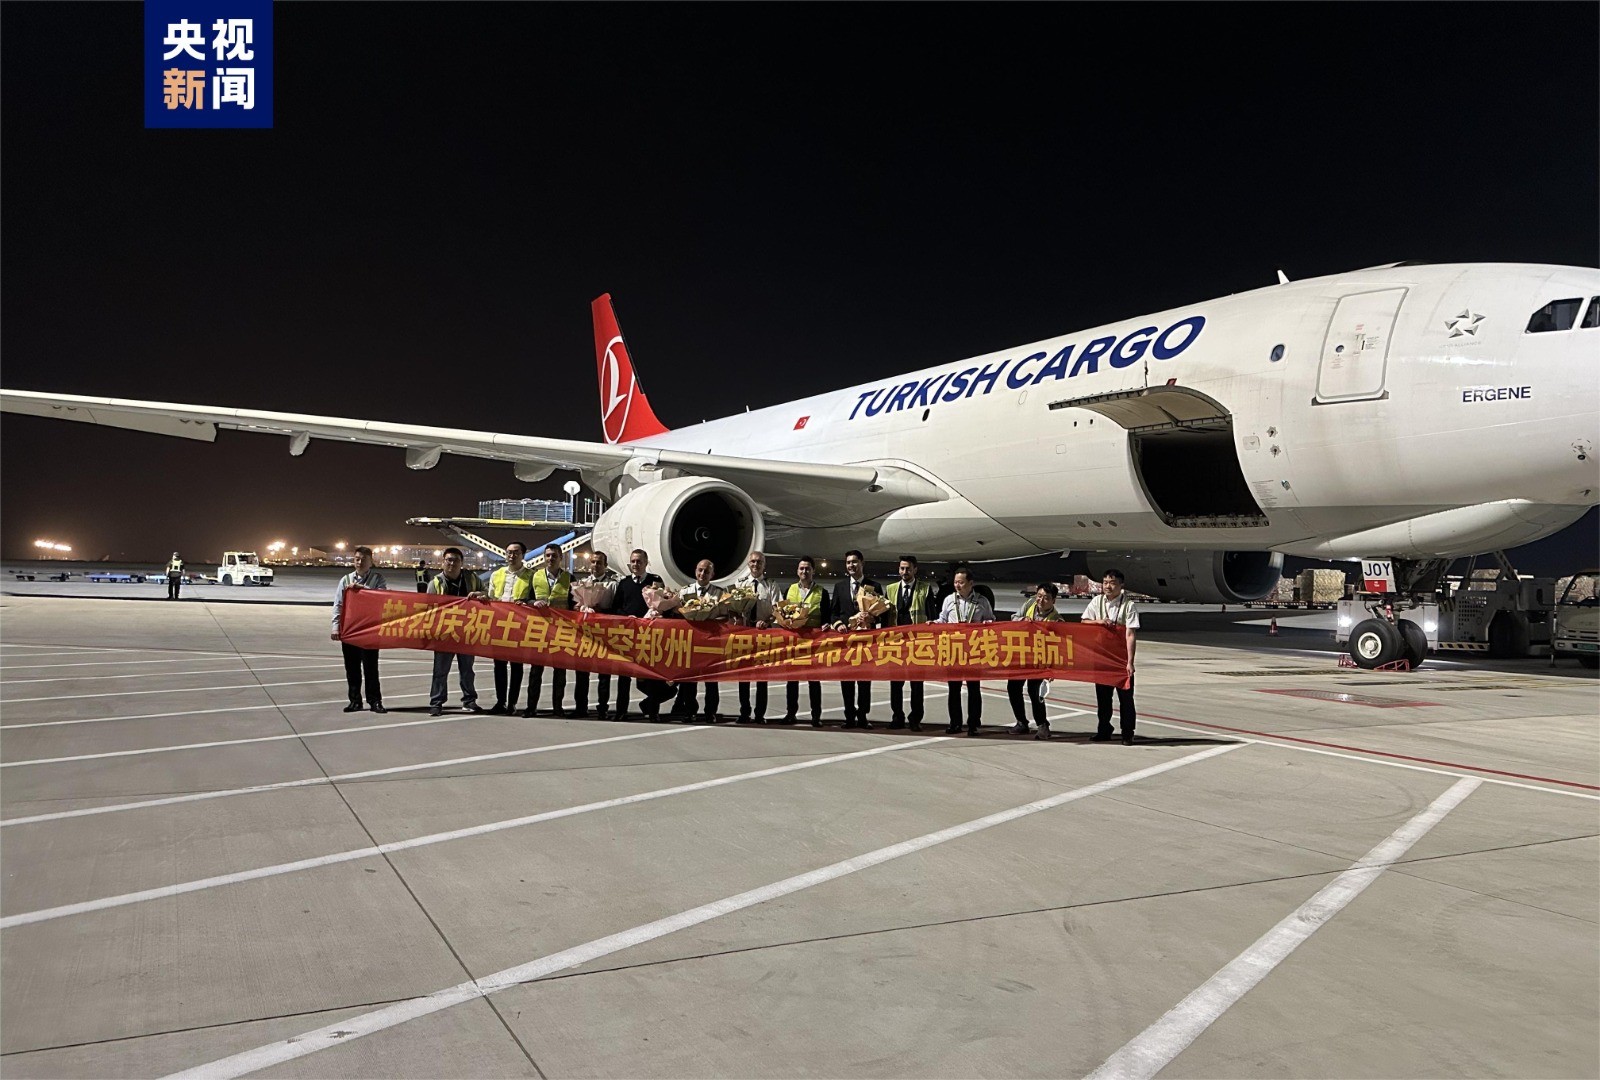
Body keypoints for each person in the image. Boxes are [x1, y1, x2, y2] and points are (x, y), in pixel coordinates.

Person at [471, 541, 534, 715]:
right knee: (499, 665)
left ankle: (512, 703)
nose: (512, 556)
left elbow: (533, 599)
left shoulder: (531, 576)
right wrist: (481, 596)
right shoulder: (497, 574)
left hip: (519, 626)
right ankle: (501, 701)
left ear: (523, 555)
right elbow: (492, 597)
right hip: (500, 625)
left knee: (516, 666)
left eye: (516, 552)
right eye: (509, 552)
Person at [1081, 568, 1140, 745]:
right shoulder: (1096, 601)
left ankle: (1127, 733)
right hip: (1102, 658)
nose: (1108, 586)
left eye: (1112, 583)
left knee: (1126, 698)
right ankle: (1104, 729)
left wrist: (1130, 662)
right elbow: (1084, 622)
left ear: (1121, 585)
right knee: (1103, 697)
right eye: (1105, 582)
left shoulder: (1128, 606)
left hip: (1120, 658)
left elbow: (1130, 634)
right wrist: (1098, 622)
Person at [331, 545, 389, 714]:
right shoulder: (345, 580)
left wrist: (363, 590)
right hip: (350, 629)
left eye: (364, 559)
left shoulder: (378, 579)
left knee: (371, 668)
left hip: (369, 631)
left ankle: (375, 701)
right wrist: (335, 627)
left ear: (371, 561)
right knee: (352, 668)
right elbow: (338, 604)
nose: (360, 562)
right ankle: (355, 701)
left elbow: (382, 599)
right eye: (357, 559)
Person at [426, 547, 484, 716]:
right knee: (440, 671)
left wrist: (480, 594)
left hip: (466, 631)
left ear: (461, 563)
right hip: (444, 633)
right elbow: (428, 608)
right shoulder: (435, 583)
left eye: (456, 560)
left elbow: (487, 594)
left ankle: (469, 700)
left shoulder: (472, 579)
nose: (452, 563)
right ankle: (436, 702)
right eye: (448, 560)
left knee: (467, 670)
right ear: (443, 562)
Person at [938, 564, 994, 735]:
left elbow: (991, 620)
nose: (957, 585)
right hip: (953, 650)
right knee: (953, 689)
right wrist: (933, 624)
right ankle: (955, 723)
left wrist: (988, 624)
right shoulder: (949, 600)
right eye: (956, 582)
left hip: (973, 650)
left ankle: (973, 724)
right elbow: (942, 620)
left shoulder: (982, 601)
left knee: (974, 688)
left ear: (971, 583)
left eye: (961, 582)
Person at [609, 549, 663, 719]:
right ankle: (621, 711)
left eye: (639, 561)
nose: (635, 564)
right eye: (633, 561)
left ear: (646, 563)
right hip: (628, 636)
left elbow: (662, 605)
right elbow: (616, 608)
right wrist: (627, 618)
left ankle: (653, 711)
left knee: (651, 675)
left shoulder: (655, 581)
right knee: (624, 676)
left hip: (648, 636)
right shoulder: (624, 583)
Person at [831, 549, 881, 729]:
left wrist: (872, 618)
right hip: (846, 641)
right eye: (848, 562)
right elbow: (833, 613)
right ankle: (849, 716)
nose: (851, 565)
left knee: (865, 680)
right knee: (846, 680)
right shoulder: (839, 587)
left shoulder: (874, 586)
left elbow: (882, 614)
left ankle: (863, 716)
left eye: (854, 562)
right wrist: (838, 624)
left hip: (866, 641)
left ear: (862, 563)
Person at [885, 555, 935, 730]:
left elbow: (932, 617)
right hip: (896, 644)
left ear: (915, 570)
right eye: (902, 568)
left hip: (917, 644)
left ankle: (915, 719)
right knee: (896, 684)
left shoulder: (925, 589)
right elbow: (885, 618)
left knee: (917, 684)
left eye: (908, 568)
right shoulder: (890, 589)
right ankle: (897, 717)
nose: (904, 572)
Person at [781, 555, 832, 726]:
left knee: (814, 681)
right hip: (794, 641)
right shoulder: (789, 590)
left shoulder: (822, 592)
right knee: (792, 680)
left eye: (807, 568)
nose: (804, 571)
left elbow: (826, 617)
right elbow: (783, 614)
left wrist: (826, 625)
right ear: (797, 571)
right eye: (801, 568)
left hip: (813, 642)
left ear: (813, 571)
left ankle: (816, 716)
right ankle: (790, 713)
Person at [733, 550, 782, 723]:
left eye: (759, 562)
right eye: (753, 561)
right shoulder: (740, 584)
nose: (756, 565)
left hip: (763, 636)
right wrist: (737, 617)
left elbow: (777, 610)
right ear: (748, 564)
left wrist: (767, 622)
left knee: (762, 678)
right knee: (743, 677)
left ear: (764, 565)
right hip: (745, 635)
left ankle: (760, 714)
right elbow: (732, 607)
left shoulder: (771, 585)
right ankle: (744, 712)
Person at [525, 542, 573, 718]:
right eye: (547, 555)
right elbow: (526, 599)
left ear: (560, 558)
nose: (550, 558)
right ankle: (531, 707)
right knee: (535, 671)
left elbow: (574, 603)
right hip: (540, 630)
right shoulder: (535, 576)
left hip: (561, 630)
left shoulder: (569, 578)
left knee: (560, 672)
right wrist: (533, 602)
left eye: (554, 555)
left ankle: (557, 707)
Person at [673, 558, 724, 722]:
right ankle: (689, 711)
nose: (703, 574)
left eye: (707, 571)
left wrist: (710, 620)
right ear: (695, 571)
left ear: (712, 574)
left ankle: (710, 712)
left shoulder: (719, 593)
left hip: (711, 642)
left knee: (711, 681)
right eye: (700, 570)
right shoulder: (684, 592)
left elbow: (725, 616)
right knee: (689, 680)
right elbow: (676, 614)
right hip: (691, 642)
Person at [1008, 582, 1060, 737]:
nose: (1041, 600)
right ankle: (1021, 722)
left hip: (1039, 660)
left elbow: (1059, 646)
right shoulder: (1029, 605)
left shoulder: (1056, 620)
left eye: (1046, 598)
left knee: (1035, 691)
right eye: (1039, 596)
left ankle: (1042, 724)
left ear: (1053, 600)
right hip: (1022, 655)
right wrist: (1022, 620)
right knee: (1013, 687)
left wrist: (1051, 668)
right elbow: (1013, 618)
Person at [572, 550, 621, 719]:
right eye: (593, 562)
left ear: (605, 565)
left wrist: (602, 611)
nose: (595, 565)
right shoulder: (582, 583)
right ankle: (580, 707)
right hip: (585, 634)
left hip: (604, 634)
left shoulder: (612, 585)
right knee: (581, 673)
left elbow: (617, 609)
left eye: (599, 562)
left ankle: (602, 708)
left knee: (604, 675)